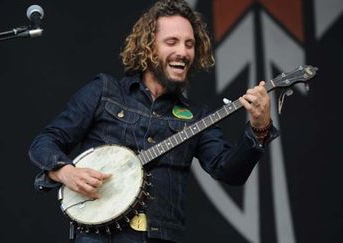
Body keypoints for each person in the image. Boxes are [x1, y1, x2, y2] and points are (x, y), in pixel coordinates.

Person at [28, 0, 278, 242]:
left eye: (190, 44)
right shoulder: (104, 91)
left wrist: (259, 127)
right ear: (148, 46)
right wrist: (65, 171)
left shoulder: (198, 117)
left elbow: (229, 172)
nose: (183, 51)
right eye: (172, 42)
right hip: (97, 238)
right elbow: (45, 142)